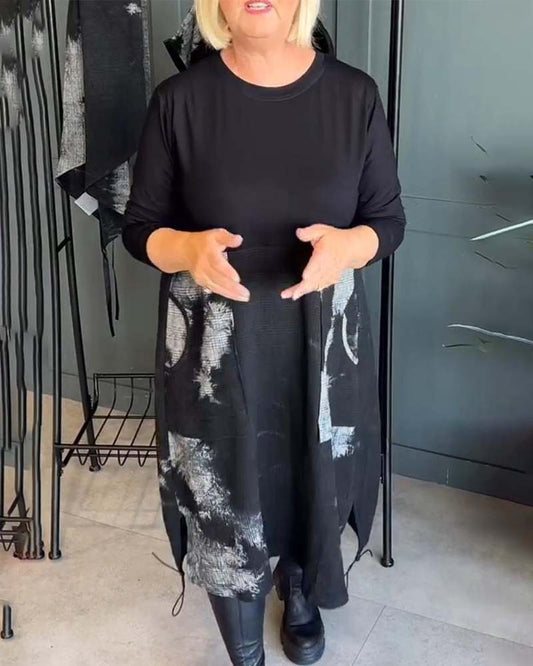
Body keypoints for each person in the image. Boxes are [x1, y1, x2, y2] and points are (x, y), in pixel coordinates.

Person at [122, 1, 406, 664]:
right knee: (226, 494)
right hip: (215, 349)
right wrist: (187, 249)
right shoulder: (179, 101)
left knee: (310, 477)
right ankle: (243, 647)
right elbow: (141, 229)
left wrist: (349, 246)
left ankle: (298, 585)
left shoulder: (353, 96)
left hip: (321, 344)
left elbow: (387, 220)